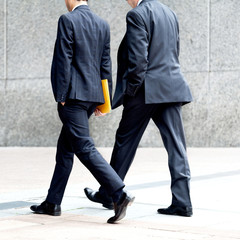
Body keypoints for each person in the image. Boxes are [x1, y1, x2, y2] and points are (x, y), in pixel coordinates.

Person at [84, 0, 193, 217]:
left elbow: (138, 59)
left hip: (145, 91)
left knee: (125, 142)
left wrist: (130, 92)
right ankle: (183, 202)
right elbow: (174, 52)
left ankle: (109, 193)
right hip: (171, 87)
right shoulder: (170, 13)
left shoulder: (137, 14)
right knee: (176, 146)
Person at [30, 0, 134, 224]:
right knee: (65, 150)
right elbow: (105, 64)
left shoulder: (67, 20)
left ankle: (119, 193)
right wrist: (104, 101)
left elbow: (63, 59)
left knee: (84, 147)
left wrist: (61, 95)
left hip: (73, 97)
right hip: (92, 96)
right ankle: (52, 202)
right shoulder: (102, 24)